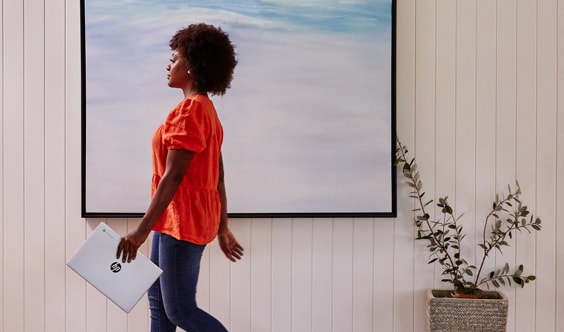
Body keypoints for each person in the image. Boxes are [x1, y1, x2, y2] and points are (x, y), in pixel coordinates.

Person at [116, 23, 244, 332]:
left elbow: (172, 177)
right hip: (174, 220)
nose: (168, 65)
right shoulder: (207, 110)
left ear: (193, 66)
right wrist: (222, 227)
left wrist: (139, 233)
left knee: (181, 310)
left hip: (181, 222)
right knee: (159, 304)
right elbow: (219, 176)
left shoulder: (189, 112)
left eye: (174, 57)